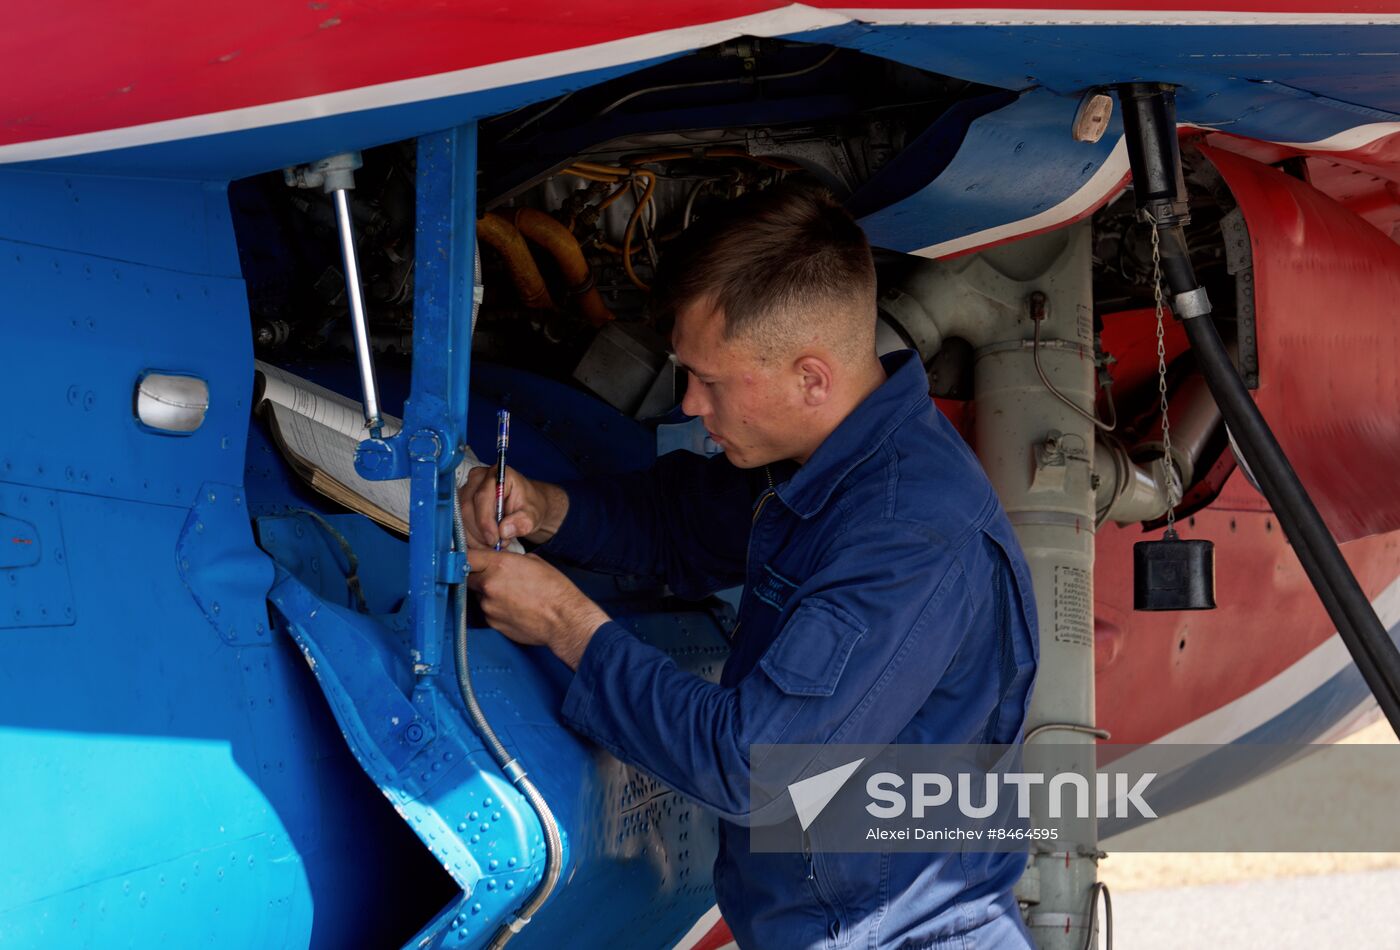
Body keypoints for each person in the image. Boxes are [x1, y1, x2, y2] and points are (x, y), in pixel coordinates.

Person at [461, 184, 1039, 948]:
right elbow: (681, 524)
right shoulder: (827, 462)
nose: (692, 405)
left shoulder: (906, 535)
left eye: (712, 381)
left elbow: (753, 766)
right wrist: (545, 506)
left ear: (811, 377)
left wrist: (567, 625)